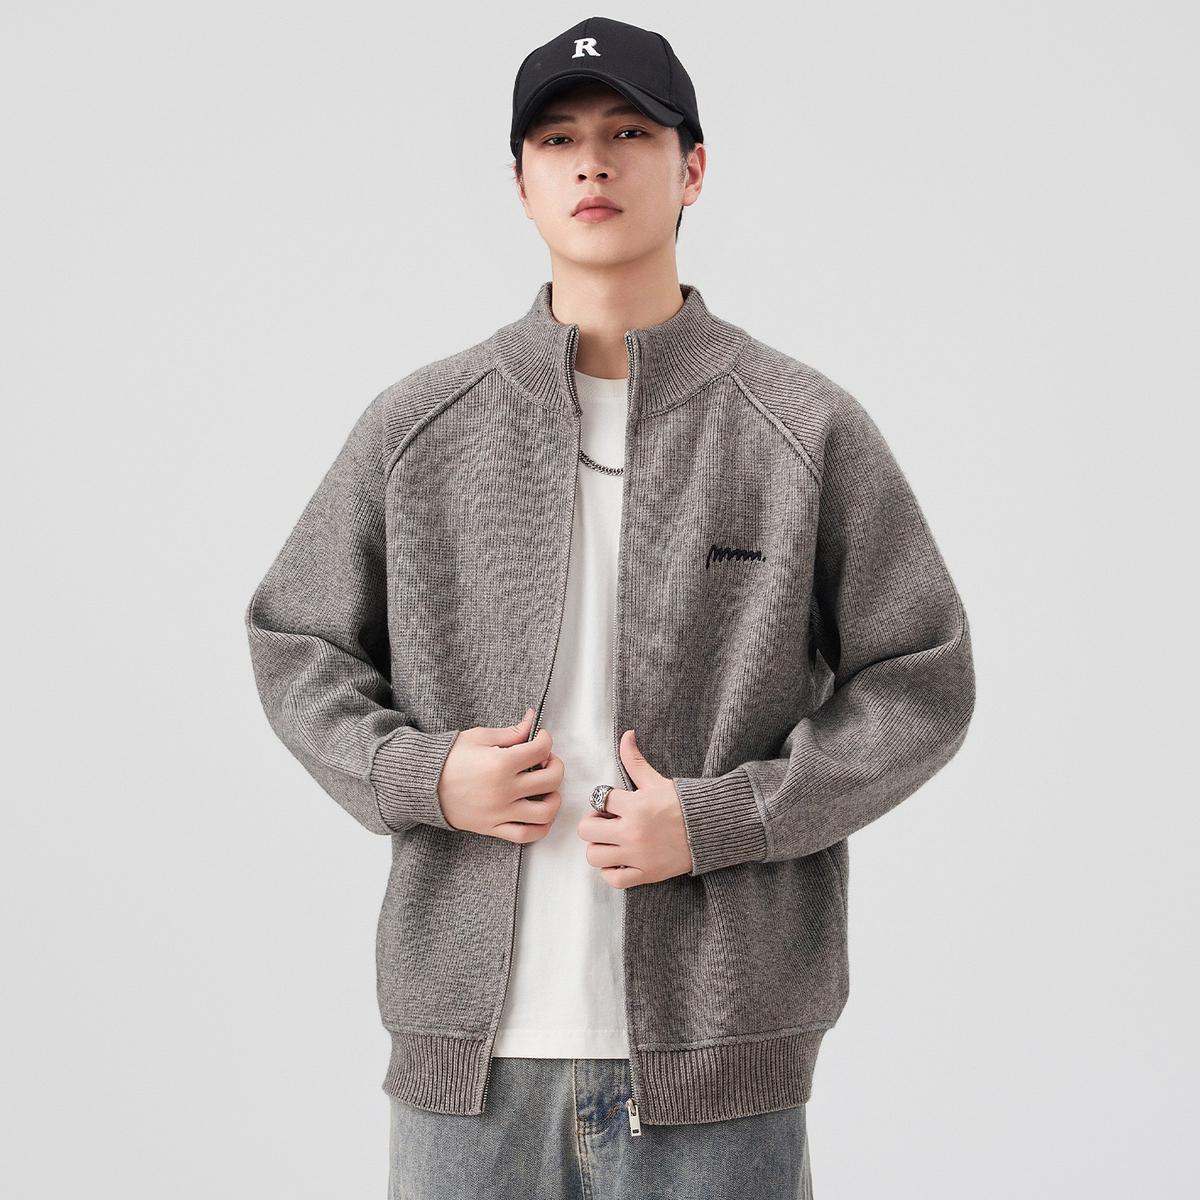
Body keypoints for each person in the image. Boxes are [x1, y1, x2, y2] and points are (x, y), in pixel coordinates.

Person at [243, 15, 976, 1199]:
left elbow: (922, 676)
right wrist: (423, 775)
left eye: (630, 133)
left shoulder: (800, 428)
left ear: (693, 168)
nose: (592, 162)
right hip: (469, 1064)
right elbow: (297, 641)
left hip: (722, 1059)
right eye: (558, 139)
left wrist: (726, 819)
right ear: (520, 182)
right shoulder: (420, 428)